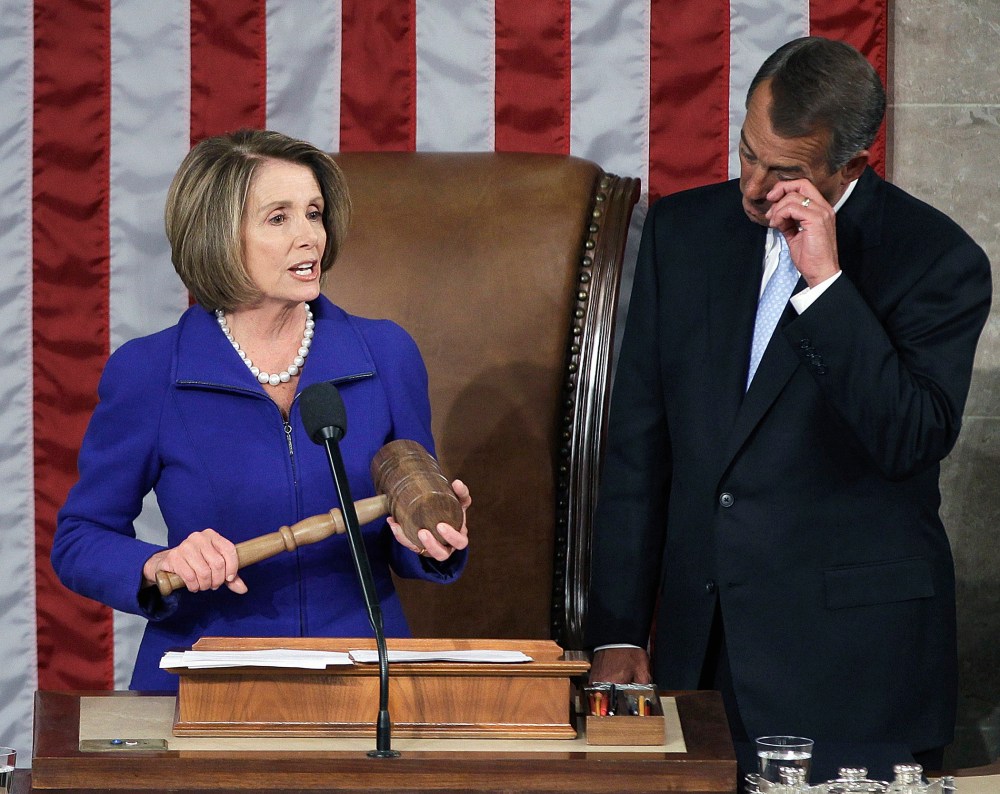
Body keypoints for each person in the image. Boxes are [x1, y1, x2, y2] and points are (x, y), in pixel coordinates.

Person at [585, 37, 991, 778]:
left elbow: (910, 437)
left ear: (851, 167)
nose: (753, 186)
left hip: (852, 674)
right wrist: (616, 628)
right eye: (747, 153)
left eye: (786, 171)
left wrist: (826, 287)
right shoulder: (684, 234)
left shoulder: (936, 259)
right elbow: (640, 446)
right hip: (701, 656)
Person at [52, 129, 471, 692]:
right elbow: (80, 539)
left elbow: (412, 525)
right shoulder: (149, 371)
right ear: (219, 237)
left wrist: (433, 537)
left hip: (364, 685)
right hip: (207, 683)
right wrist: (156, 564)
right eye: (279, 218)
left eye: (315, 214)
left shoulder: (386, 354)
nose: (310, 238)